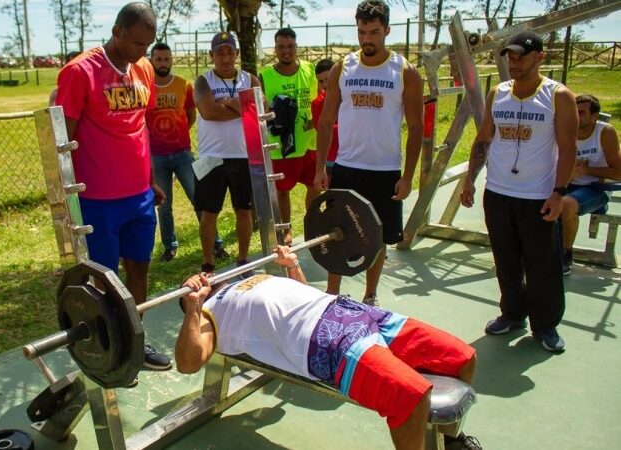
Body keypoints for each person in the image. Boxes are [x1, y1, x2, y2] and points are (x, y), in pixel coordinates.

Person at [175, 246, 481, 450]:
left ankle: (450, 444)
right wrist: (193, 305)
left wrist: (292, 266)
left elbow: (303, 294)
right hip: (325, 339)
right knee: (410, 396)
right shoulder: (208, 312)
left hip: (353, 311)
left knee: (461, 357)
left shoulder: (251, 277)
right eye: (194, 280)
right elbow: (189, 362)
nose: (203, 276)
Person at [54, 2, 171, 370]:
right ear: (117, 32)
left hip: (138, 196)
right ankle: (107, 347)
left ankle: (135, 341)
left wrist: (150, 180)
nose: (142, 53)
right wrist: (64, 200)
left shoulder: (144, 69)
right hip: (97, 200)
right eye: (137, 44)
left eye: (147, 46)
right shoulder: (79, 72)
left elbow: (140, 128)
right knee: (102, 281)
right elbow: (64, 141)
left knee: (139, 268)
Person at [460, 31, 578, 353]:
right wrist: (469, 180)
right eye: (510, 57)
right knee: (506, 260)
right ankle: (512, 313)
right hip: (498, 193)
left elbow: (568, 149)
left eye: (521, 56)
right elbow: (484, 138)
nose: (514, 63)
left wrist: (558, 192)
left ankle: (546, 325)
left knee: (543, 264)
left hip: (538, 197)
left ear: (540, 57)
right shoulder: (498, 93)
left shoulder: (558, 96)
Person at [313, 0, 424, 305]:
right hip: (348, 166)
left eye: (374, 32)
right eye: (362, 32)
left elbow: (416, 127)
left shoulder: (404, 71)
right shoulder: (343, 68)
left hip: (385, 170)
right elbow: (325, 120)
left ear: (387, 30)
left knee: (378, 238)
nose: (367, 39)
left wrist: (408, 176)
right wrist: (321, 167)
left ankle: (370, 296)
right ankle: (331, 293)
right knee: (338, 230)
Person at [146, 42, 229, 262]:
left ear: (172, 60)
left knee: (200, 200)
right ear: (151, 60)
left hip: (182, 153)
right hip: (157, 156)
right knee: (163, 205)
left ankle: (215, 244)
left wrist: (179, 134)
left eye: (166, 58)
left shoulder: (184, 85)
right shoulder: (146, 88)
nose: (163, 63)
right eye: (158, 59)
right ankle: (169, 245)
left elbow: (191, 115)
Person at [193, 32, 261, 273]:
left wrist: (228, 103)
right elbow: (208, 112)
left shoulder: (250, 79)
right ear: (212, 55)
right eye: (219, 53)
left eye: (230, 52)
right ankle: (208, 262)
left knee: (244, 210)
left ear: (237, 54)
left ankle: (243, 260)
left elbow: (257, 110)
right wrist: (241, 105)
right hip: (211, 157)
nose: (225, 58)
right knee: (209, 213)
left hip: (244, 155)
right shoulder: (203, 80)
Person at [259, 28, 320, 245]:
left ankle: (311, 222)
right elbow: (260, 112)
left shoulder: (309, 69)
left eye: (290, 46)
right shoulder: (265, 77)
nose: (286, 51)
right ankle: (286, 229)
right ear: (275, 49)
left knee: (314, 186)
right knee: (283, 191)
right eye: (281, 47)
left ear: (296, 47)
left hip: (310, 142)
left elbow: (319, 99)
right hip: (281, 146)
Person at [561, 94, 621, 275]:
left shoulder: (605, 133)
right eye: (573, 111)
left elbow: (619, 172)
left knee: (566, 204)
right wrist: (569, 173)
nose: (575, 116)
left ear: (594, 116)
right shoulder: (564, 130)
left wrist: (586, 171)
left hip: (596, 188)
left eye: (581, 112)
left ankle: (565, 255)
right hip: (567, 184)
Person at [311, 58, 339, 181]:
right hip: (331, 160)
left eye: (328, 79)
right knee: (334, 198)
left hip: (354, 158)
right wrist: (350, 124)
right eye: (321, 81)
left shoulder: (349, 98)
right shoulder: (317, 103)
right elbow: (323, 131)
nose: (325, 84)